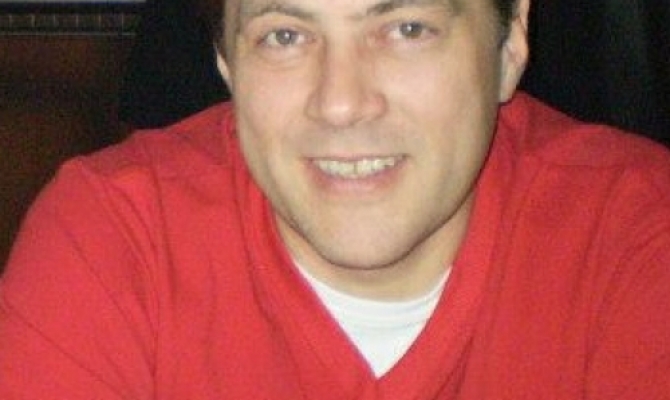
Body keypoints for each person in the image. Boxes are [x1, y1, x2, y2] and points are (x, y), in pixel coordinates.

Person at [1, 0, 669, 398]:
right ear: (226, 62)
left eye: (407, 28)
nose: (342, 102)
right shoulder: (112, 240)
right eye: (285, 36)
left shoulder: (636, 238)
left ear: (511, 39)